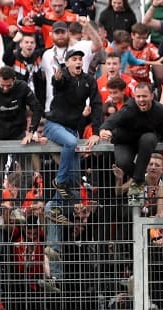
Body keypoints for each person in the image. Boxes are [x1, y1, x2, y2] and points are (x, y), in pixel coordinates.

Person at [44, 48, 101, 202]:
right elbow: (59, 84)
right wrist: (56, 80)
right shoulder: (63, 76)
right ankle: (59, 181)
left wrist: (96, 132)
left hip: (72, 128)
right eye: (74, 59)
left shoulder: (89, 80)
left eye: (80, 59)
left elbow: (96, 105)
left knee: (75, 177)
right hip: (53, 125)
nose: (78, 62)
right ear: (67, 63)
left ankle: (57, 206)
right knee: (71, 142)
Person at [100, 80, 163, 199]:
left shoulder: (161, 110)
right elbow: (114, 119)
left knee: (148, 138)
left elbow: (162, 133)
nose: (141, 100)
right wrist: (104, 129)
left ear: (152, 96)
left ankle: (138, 181)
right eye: (138, 96)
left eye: (144, 96)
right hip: (125, 140)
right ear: (134, 96)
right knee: (123, 162)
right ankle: (142, 178)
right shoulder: (130, 107)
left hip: (146, 139)